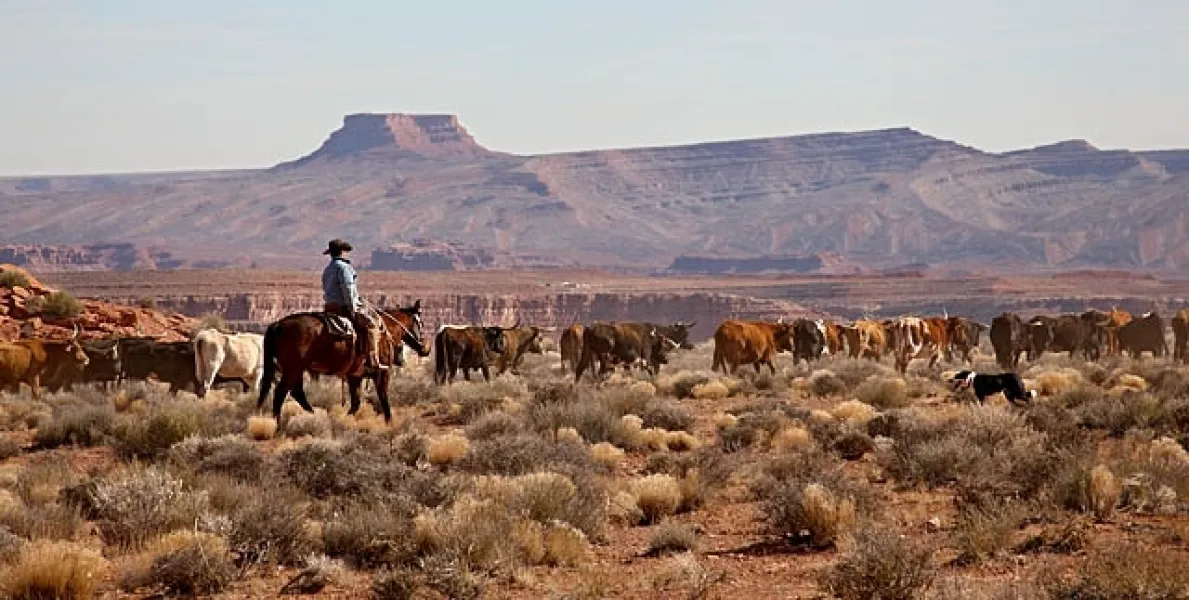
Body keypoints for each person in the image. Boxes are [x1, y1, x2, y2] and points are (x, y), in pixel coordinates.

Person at [321, 238, 386, 371]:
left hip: (330, 306)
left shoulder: (328, 269)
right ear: (342, 252)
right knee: (371, 325)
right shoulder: (344, 268)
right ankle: (372, 359)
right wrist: (353, 309)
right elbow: (348, 289)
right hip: (343, 307)